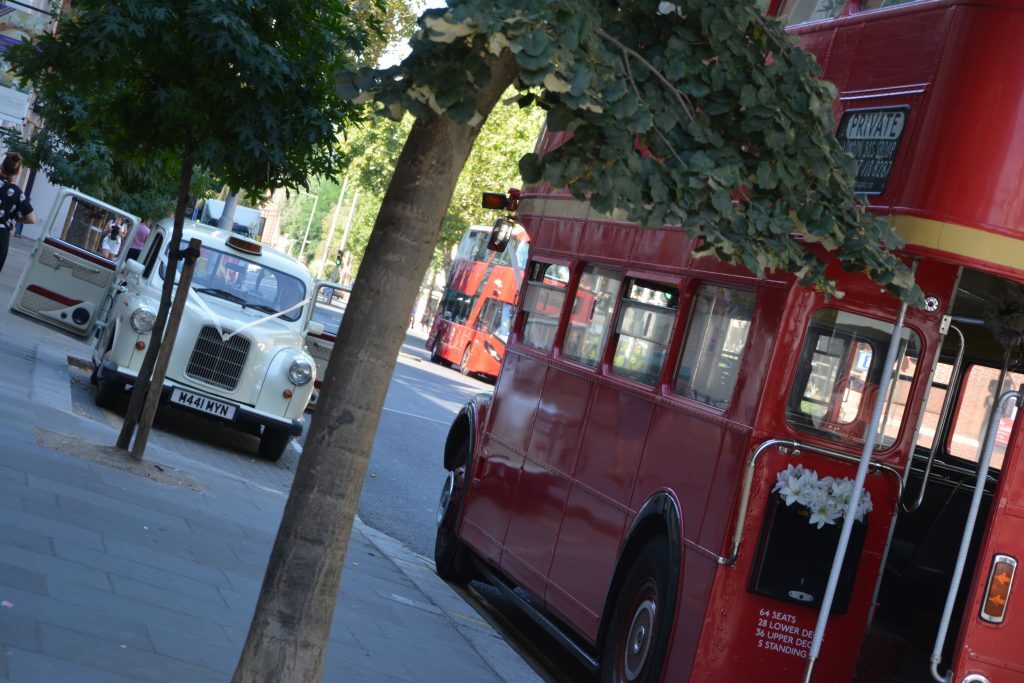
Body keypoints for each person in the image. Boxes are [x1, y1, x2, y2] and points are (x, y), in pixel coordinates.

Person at [0, 152, 36, 276]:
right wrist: (14, 218)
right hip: (1, 236)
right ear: (18, 172)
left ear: (1, 166)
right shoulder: (16, 193)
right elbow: (31, 219)